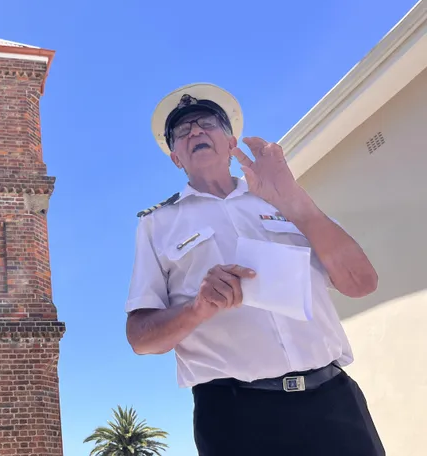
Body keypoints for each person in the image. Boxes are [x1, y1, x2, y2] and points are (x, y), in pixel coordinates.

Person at [125, 83, 384, 456]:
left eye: (207, 123)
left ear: (232, 142)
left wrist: (295, 200)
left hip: (334, 403)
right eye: (182, 131)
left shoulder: (283, 196)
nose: (195, 131)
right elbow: (140, 338)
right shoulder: (158, 225)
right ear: (175, 158)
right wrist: (198, 308)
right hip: (236, 417)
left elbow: (362, 283)